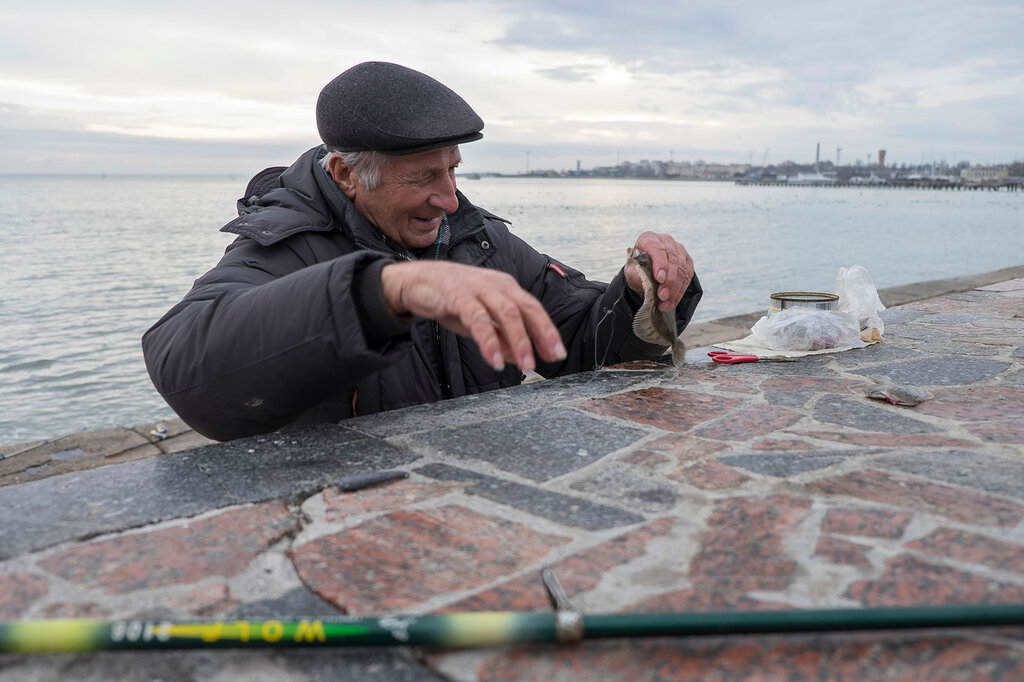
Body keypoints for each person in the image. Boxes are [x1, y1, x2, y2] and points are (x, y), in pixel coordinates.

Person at [142, 61, 702, 442]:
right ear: (345, 175)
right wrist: (381, 293)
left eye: (454, 170)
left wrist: (635, 291)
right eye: (425, 176)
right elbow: (183, 365)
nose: (450, 197)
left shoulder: (475, 239)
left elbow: (582, 345)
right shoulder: (286, 246)